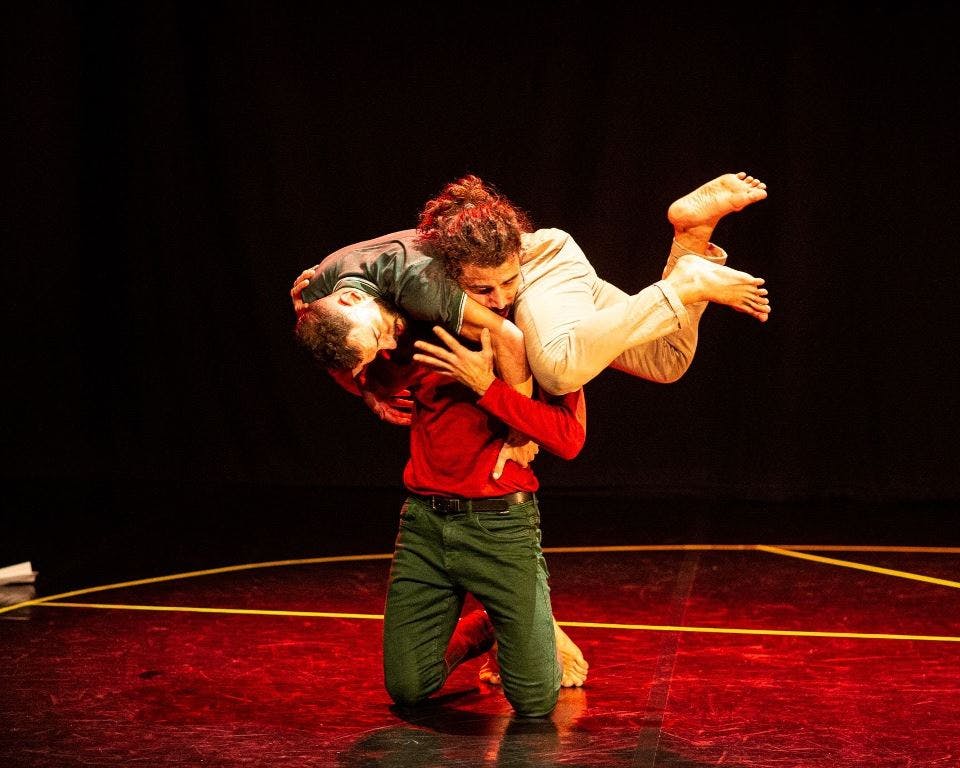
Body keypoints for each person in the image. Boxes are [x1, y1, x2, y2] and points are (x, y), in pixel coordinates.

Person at [291, 172, 770, 398]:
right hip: (519, 261)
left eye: (378, 336)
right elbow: (329, 347)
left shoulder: (420, 284)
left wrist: (520, 430)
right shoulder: (318, 294)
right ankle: (691, 235)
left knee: (559, 371)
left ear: (353, 297)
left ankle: (684, 281)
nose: (390, 340)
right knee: (666, 360)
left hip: (536, 265)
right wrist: (368, 387)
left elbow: (508, 334)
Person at [349, 322, 589, 717]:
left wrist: (486, 385)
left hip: (501, 526)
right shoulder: (430, 332)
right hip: (424, 524)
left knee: (535, 700)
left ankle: (515, 625)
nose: (495, 299)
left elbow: (568, 439)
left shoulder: (543, 335)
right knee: (409, 687)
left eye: (505, 284)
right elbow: (369, 373)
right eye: (481, 288)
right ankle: (486, 628)